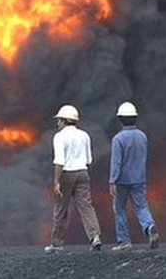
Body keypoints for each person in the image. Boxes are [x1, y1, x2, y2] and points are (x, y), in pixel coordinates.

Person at [45, 104, 102, 253]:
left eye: (59, 120)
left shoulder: (59, 137)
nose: (58, 123)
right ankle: (95, 237)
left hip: (66, 174)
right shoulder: (84, 135)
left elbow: (59, 161)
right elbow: (89, 159)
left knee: (61, 209)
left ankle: (57, 244)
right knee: (86, 207)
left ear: (64, 121)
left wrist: (57, 181)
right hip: (83, 173)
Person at [108, 101, 161, 250]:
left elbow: (116, 163)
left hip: (122, 181)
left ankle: (124, 241)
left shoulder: (118, 139)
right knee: (142, 206)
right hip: (139, 179)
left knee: (120, 209)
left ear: (120, 119)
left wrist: (112, 181)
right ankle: (149, 227)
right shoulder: (142, 136)